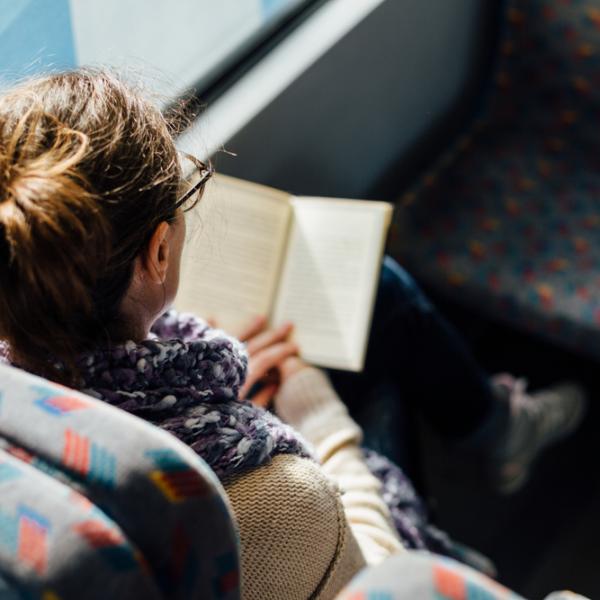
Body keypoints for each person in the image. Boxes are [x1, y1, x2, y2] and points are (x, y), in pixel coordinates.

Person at [0, 70, 586, 599]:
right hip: (329, 542)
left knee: (375, 293)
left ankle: (499, 428)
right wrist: (315, 415)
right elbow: (381, 575)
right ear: (157, 251)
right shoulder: (274, 500)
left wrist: (217, 405)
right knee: (378, 297)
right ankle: (501, 432)